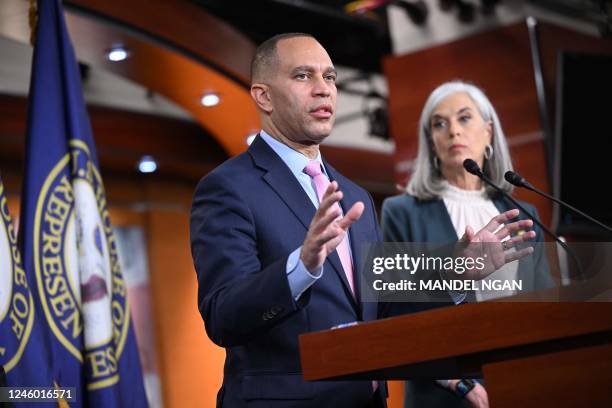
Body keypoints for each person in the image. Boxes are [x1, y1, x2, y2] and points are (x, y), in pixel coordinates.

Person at [190, 36, 535, 408]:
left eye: (331, 77)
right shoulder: (228, 188)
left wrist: (457, 271)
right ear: (263, 96)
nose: (324, 90)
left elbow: (382, 311)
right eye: (303, 76)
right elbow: (223, 316)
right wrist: (300, 267)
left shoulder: (355, 196)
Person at [381, 80, 554, 408]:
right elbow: (395, 311)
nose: (453, 132)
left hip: (522, 385)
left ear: (488, 132)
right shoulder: (402, 213)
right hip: (445, 394)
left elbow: (543, 309)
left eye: (464, 118)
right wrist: (460, 384)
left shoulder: (522, 215)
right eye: (439, 124)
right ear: (431, 142)